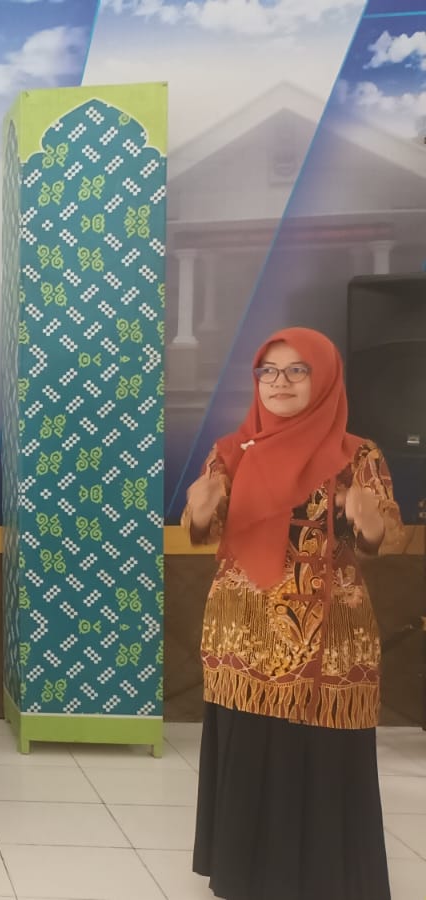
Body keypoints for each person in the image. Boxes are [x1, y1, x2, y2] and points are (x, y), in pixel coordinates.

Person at [186, 327, 406, 900]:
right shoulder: (232, 452)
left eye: (296, 370)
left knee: (322, 754)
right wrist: (198, 512)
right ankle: (244, 874)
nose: (279, 383)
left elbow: (389, 538)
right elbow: (205, 531)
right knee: (252, 747)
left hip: (329, 639)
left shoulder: (357, 455)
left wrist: (368, 517)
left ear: (324, 378)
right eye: (268, 371)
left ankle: (324, 877)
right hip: (246, 634)